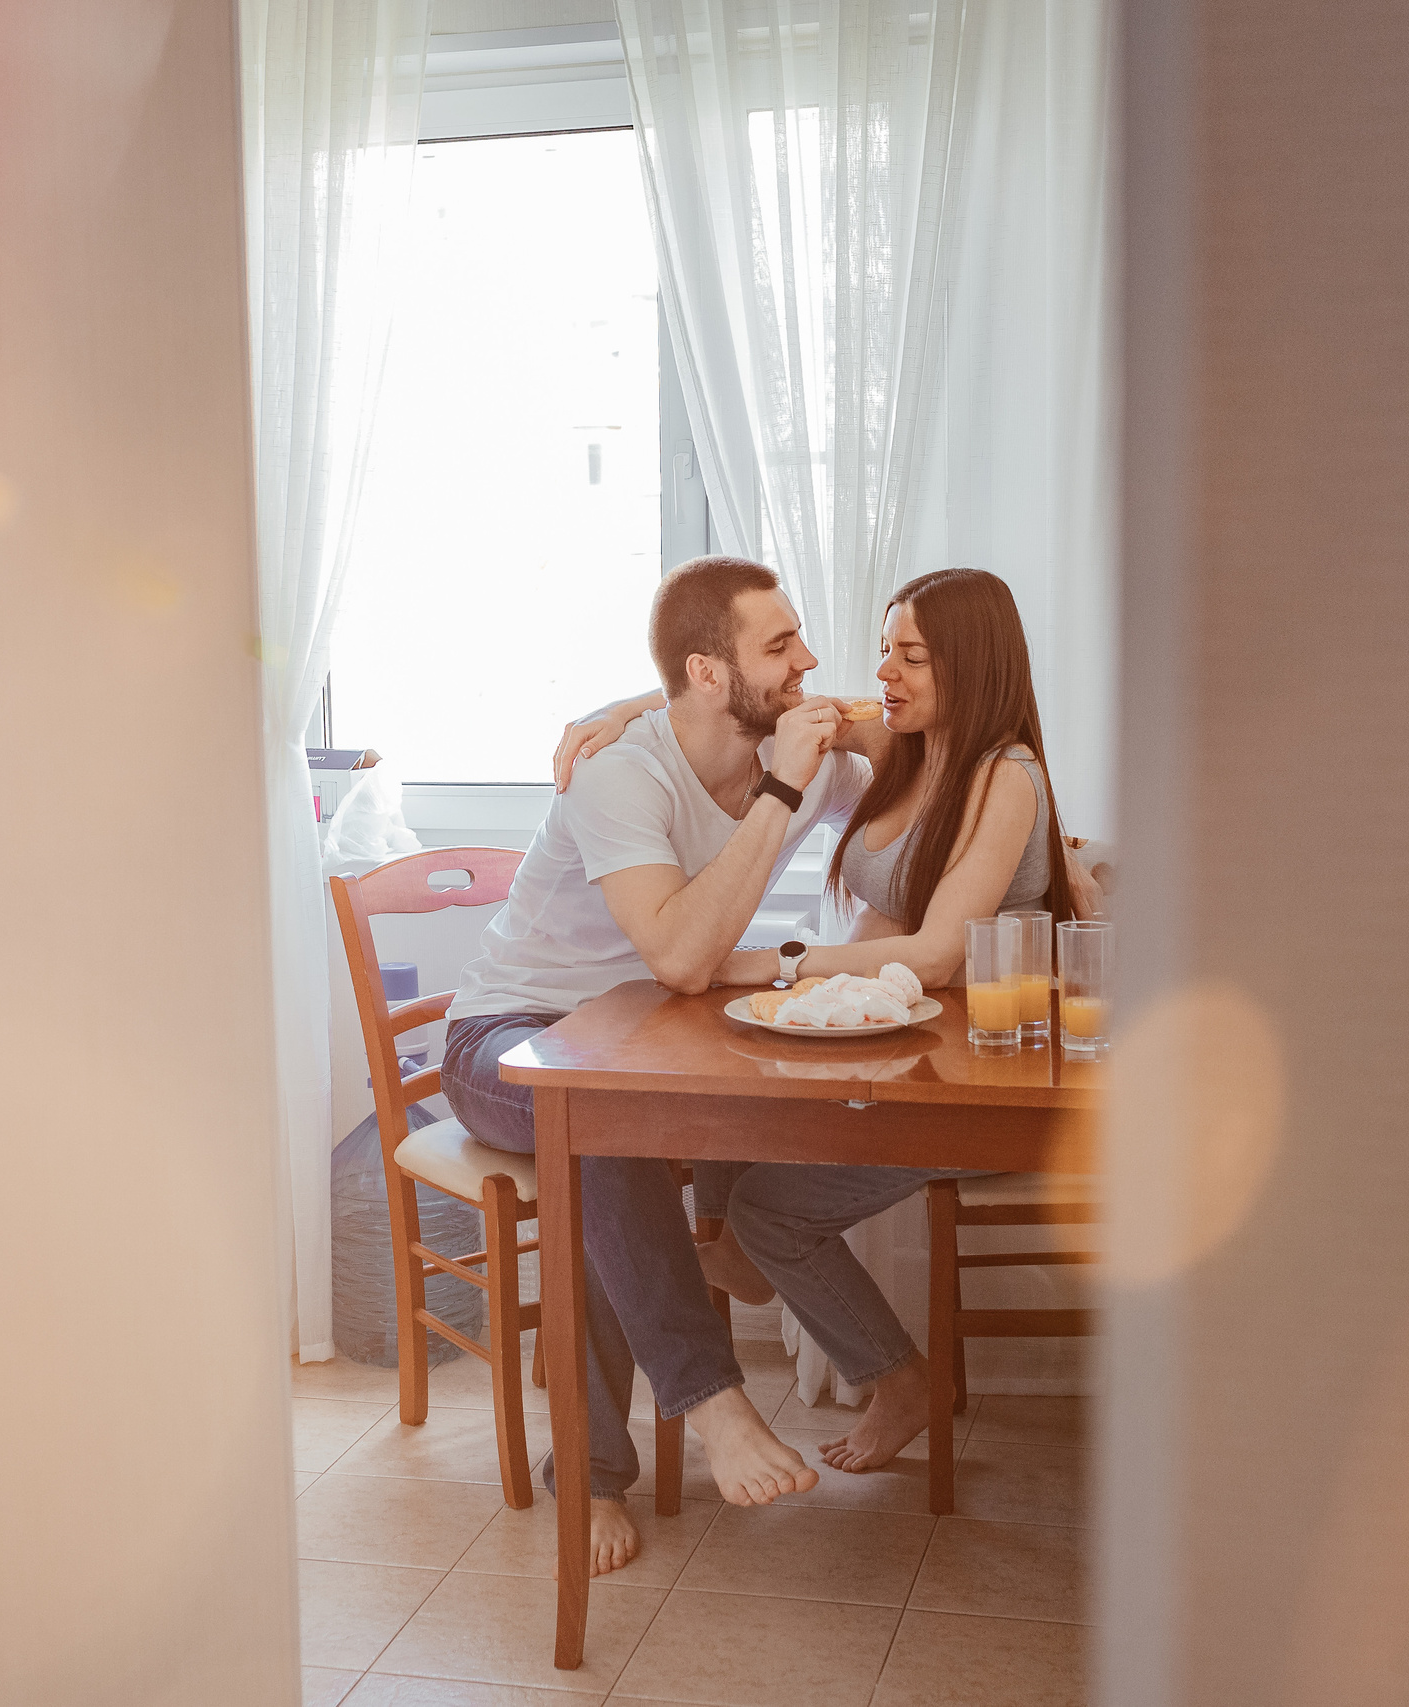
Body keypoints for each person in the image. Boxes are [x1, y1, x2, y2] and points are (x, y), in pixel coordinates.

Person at [562, 567, 1089, 1474]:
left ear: (969, 664)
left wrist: (776, 962)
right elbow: (747, 697)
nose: (883, 672)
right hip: (913, 1056)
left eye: (910, 655)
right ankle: (725, 1268)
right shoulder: (906, 743)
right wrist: (626, 707)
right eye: (885, 649)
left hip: (987, 1077)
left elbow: (934, 954)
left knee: (768, 1208)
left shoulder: (1004, 775)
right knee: (731, 1111)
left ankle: (893, 1373)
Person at [440, 554, 870, 1578]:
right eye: (781, 645)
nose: (810, 661)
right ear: (709, 674)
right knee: (596, 1119)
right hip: (506, 1034)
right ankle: (704, 1408)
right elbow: (679, 957)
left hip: (633, 1040)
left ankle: (718, 1246)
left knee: (632, 1109)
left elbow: (916, 742)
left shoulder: (792, 742)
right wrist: (775, 786)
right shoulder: (621, 774)